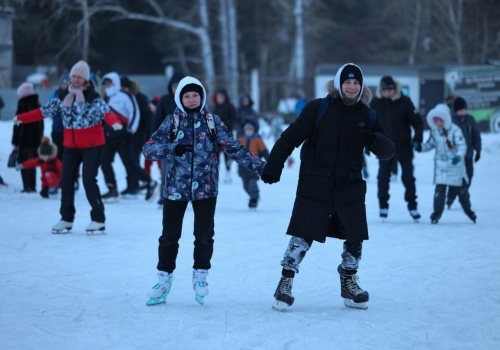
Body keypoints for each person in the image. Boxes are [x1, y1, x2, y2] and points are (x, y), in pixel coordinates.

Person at [260, 63, 395, 311]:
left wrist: (374, 139)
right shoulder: (318, 108)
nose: (352, 87)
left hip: (349, 185)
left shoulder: (367, 115)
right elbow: (290, 137)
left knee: (354, 235)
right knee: (303, 233)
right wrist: (273, 165)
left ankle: (349, 282)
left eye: (356, 83)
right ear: (338, 84)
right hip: (316, 182)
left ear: (361, 86)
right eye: (347, 82)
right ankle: (285, 283)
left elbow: (387, 151)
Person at [142, 76, 266, 306]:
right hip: (174, 189)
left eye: (195, 95)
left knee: (204, 235)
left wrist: (260, 167)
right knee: (169, 237)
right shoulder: (172, 121)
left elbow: (233, 146)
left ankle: (200, 276)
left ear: (202, 96)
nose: (191, 100)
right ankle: (163, 280)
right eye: (186, 96)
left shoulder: (212, 121)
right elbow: (148, 149)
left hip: (206, 188)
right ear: (180, 97)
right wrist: (172, 148)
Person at [14, 60, 123, 234]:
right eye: (74, 76)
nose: (76, 79)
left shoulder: (92, 97)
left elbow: (106, 112)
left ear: (86, 79)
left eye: (79, 76)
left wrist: (115, 123)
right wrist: (23, 117)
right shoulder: (63, 96)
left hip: (92, 145)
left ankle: (98, 219)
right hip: (70, 146)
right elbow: (44, 111)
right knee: (66, 181)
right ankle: (66, 218)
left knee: (88, 180)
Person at [370, 75, 423, 221]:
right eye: (385, 90)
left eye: (390, 90)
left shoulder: (404, 102)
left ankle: (412, 206)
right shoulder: (375, 103)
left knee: (408, 178)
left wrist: (417, 139)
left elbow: (417, 122)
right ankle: (383, 205)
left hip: (403, 146)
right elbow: (369, 124)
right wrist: (369, 143)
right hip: (384, 146)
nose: (388, 93)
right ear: (381, 90)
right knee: (382, 177)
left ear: (395, 89)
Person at [100, 72, 158, 202]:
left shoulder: (126, 96)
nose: (107, 86)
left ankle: (149, 182)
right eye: (105, 83)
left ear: (115, 83)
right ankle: (112, 189)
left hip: (123, 137)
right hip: (109, 137)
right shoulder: (106, 98)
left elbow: (135, 113)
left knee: (129, 164)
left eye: (109, 83)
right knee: (104, 162)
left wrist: (129, 131)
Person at [416, 104, 476, 224]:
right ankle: (436, 214)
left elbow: (462, 146)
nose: (439, 123)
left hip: (455, 166)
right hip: (441, 166)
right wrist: (420, 147)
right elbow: (430, 144)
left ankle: (469, 211)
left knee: (462, 191)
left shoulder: (455, 130)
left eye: (441, 121)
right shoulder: (435, 132)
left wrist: (458, 157)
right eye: (436, 121)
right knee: (439, 192)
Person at [154, 71, 186, 206]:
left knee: (185, 170)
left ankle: (184, 194)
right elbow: (157, 119)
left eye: (178, 86)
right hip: (168, 142)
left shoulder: (188, 100)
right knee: (167, 170)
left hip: (186, 142)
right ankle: (164, 195)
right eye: (174, 86)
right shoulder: (165, 100)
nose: (175, 89)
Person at [120, 76, 155, 193]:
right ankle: (131, 184)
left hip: (139, 134)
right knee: (129, 160)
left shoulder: (141, 99)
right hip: (127, 134)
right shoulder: (123, 99)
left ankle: (135, 185)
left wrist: (149, 136)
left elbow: (148, 119)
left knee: (133, 159)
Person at [446, 97, 481, 209]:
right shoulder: (450, 121)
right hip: (455, 156)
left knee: (469, 176)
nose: (463, 112)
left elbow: (476, 135)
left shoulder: (470, 119)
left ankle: (461, 193)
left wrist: (478, 150)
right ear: (456, 110)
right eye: (461, 110)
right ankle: (450, 197)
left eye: (465, 110)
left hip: (468, 155)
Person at [12, 82, 44, 193]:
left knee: (24, 162)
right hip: (36, 140)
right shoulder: (38, 104)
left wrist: (15, 141)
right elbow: (41, 125)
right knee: (33, 162)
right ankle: (33, 186)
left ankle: (27, 187)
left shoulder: (22, 105)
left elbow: (17, 125)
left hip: (24, 140)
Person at [237, 120, 269, 209]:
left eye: (250, 130)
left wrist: (269, 161)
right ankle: (252, 196)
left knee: (252, 184)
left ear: (253, 130)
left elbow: (265, 152)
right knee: (245, 186)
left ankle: (254, 199)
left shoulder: (258, 140)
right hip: (243, 167)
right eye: (247, 130)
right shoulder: (241, 139)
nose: (248, 131)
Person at [212, 89, 237, 183]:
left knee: (227, 154)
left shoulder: (230, 107)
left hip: (227, 134)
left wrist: (223, 124)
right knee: (216, 154)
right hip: (216, 135)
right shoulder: (215, 107)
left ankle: (228, 172)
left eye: (221, 97)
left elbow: (233, 119)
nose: (220, 99)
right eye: (218, 97)